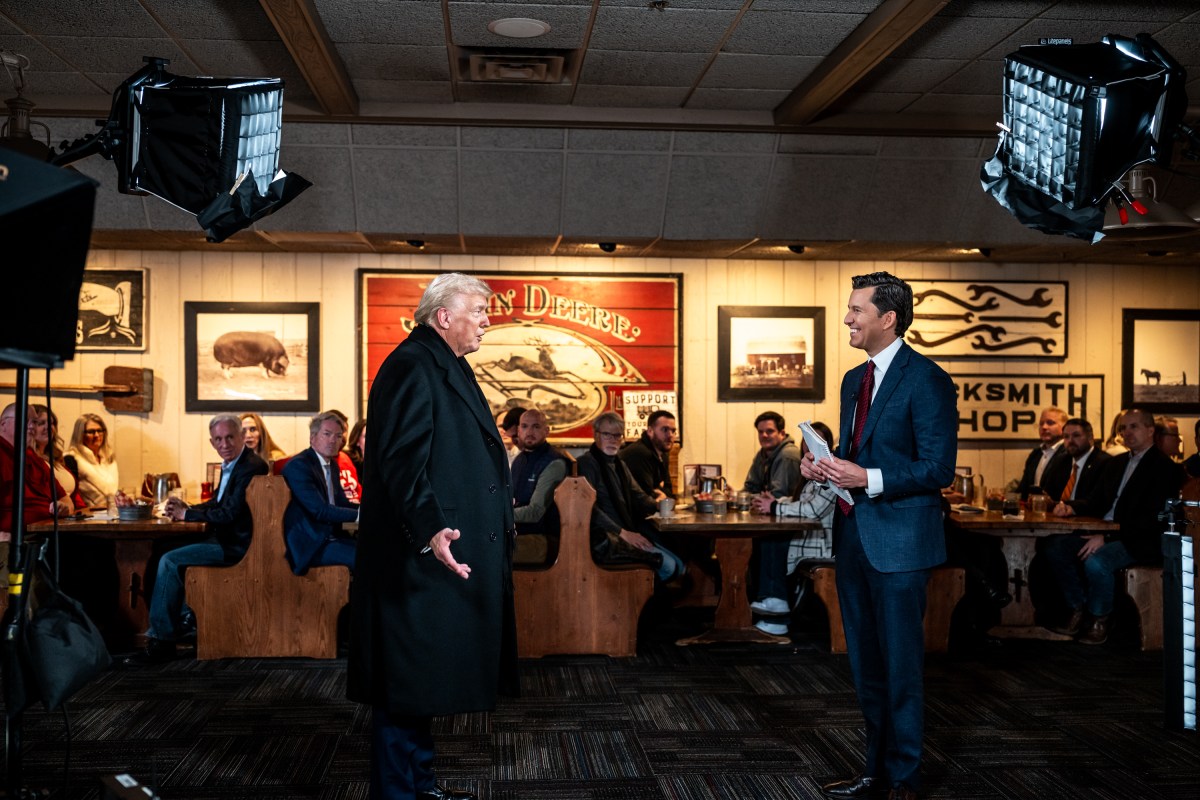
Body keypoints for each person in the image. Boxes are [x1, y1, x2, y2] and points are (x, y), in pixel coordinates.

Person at [347, 272, 516, 800]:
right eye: (479, 311)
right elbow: (399, 462)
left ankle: (419, 787)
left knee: (420, 683)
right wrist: (430, 528)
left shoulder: (441, 363)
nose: (487, 320)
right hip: (414, 559)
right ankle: (400, 794)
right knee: (404, 684)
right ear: (444, 316)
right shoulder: (410, 367)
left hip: (432, 556)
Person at [803, 272, 956, 800]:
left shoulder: (928, 380)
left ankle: (906, 779)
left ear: (887, 318)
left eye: (855, 310)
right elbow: (859, 454)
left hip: (902, 546)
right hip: (854, 541)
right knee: (866, 667)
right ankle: (874, 773)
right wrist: (824, 466)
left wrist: (865, 478)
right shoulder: (853, 381)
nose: (847, 318)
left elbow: (939, 469)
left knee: (901, 668)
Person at [1046, 408, 1184, 644]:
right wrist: (1071, 507)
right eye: (1123, 428)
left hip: (1142, 539)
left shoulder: (1165, 469)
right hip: (1105, 530)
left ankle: (1100, 618)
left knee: (1097, 562)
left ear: (1150, 430)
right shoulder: (1116, 463)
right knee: (1055, 548)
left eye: (1134, 426)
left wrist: (1107, 538)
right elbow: (1097, 500)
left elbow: (1153, 519)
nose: (1127, 432)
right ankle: (1077, 607)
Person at [144, 414, 269, 662]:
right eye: (219, 439)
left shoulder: (252, 466)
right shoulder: (233, 463)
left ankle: (162, 640)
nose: (225, 444)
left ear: (241, 436)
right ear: (212, 442)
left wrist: (186, 513)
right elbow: (218, 503)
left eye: (230, 437)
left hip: (237, 546)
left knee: (169, 560)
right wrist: (187, 507)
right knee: (161, 547)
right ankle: (181, 621)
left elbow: (230, 513)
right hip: (224, 538)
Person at [750, 420, 838, 636]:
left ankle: (778, 610)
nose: (809, 445)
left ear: (826, 444)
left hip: (821, 544)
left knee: (774, 539)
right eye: (806, 440)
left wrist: (776, 507)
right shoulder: (813, 471)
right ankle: (770, 604)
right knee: (766, 539)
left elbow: (813, 510)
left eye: (816, 440)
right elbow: (801, 499)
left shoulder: (833, 472)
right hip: (810, 538)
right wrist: (777, 502)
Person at [576, 411, 685, 583]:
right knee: (669, 566)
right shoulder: (587, 463)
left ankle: (649, 600)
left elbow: (639, 496)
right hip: (605, 538)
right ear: (596, 435)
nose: (613, 440)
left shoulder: (620, 464)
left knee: (680, 565)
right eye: (607, 434)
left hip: (625, 531)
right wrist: (623, 533)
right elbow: (589, 508)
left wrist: (661, 505)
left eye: (617, 435)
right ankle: (640, 602)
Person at [742, 410, 804, 622]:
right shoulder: (764, 454)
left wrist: (758, 497)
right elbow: (750, 487)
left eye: (770, 431)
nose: (764, 436)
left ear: (782, 432)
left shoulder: (787, 455)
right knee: (750, 544)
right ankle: (760, 600)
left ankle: (770, 601)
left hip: (792, 523)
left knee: (765, 541)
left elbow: (775, 496)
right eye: (761, 432)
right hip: (779, 518)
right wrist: (757, 496)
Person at [282, 411, 360, 574]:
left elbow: (340, 503)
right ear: (313, 437)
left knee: (378, 550)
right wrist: (360, 515)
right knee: (366, 558)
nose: (333, 440)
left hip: (330, 538)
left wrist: (367, 510)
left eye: (338, 436)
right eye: (327, 434)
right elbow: (320, 510)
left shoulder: (332, 465)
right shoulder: (299, 466)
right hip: (310, 545)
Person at [511, 408, 570, 566]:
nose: (529, 431)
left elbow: (535, 512)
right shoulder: (520, 460)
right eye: (524, 426)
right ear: (518, 430)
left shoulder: (554, 463)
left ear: (546, 431)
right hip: (519, 533)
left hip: (542, 538)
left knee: (485, 552)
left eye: (536, 426)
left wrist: (497, 514)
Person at [0, 402, 70, 533]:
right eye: (25, 420)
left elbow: (65, 498)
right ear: (3, 424)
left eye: (34, 422)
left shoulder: (35, 460)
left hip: (49, 531)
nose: (32, 426)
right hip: (17, 538)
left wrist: (64, 507)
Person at [1043, 418, 1112, 508]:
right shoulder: (1061, 461)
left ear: (1090, 437)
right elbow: (1049, 493)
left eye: (1076, 436)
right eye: (1066, 437)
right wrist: (1043, 499)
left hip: (1088, 519)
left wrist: (1063, 506)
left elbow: (1097, 502)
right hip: (1058, 517)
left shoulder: (1105, 462)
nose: (1070, 441)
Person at [30, 405, 84, 512]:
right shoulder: (29, 459)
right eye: (41, 423)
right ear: (29, 427)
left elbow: (74, 497)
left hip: (68, 516)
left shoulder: (55, 458)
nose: (49, 427)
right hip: (47, 517)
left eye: (52, 423)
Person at [619, 410, 677, 499]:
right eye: (665, 430)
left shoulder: (663, 454)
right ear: (650, 431)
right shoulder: (639, 453)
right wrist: (661, 492)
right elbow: (646, 496)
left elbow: (668, 490)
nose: (670, 435)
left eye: (673, 431)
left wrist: (663, 494)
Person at [67, 412, 119, 508]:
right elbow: (71, 495)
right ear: (80, 434)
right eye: (91, 432)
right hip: (88, 515)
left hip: (112, 513)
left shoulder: (109, 458)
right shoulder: (71, 459)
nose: (96, 435)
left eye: (100, 431)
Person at [1015, 407, 1069, 499]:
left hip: (1057, 510)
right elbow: (1023, 489)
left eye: (1050, 423)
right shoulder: (1035, 454)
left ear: (1064, 427)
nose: (1044, 427)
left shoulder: (1069, 454)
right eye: (1041, 423)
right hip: (1032, 510)